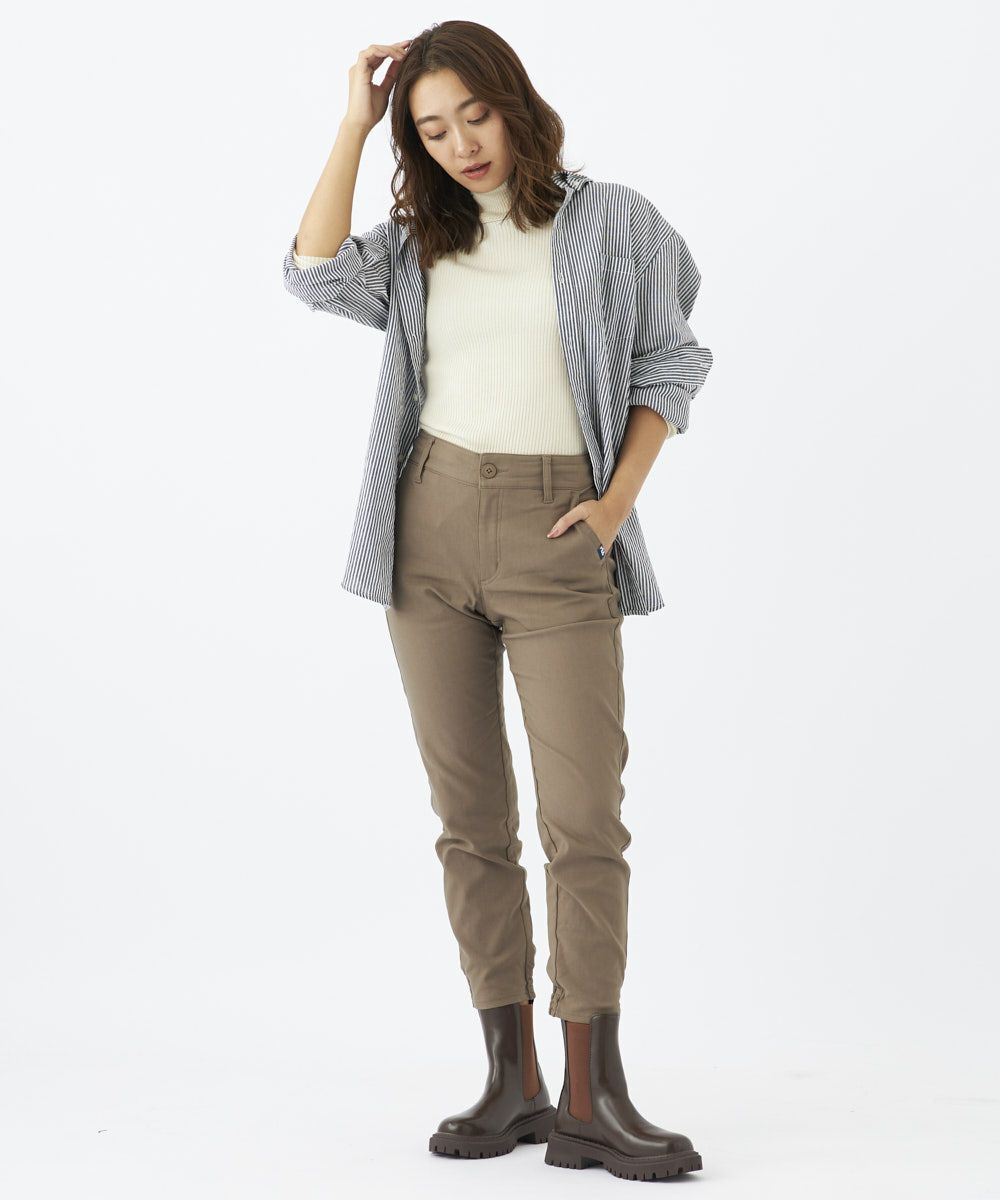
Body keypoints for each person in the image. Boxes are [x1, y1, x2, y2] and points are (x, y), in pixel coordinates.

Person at [283, 20, 713, 1182]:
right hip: (423, 532)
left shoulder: (613, 222)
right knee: (470, 823)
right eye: (432, 130)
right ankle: (510, 1078)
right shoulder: (422, 238)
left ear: (514, 102)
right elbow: (311, 272)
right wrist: (354, 123)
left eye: (474, 114)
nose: (461, 143)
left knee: (584, 823)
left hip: (557, 529)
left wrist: (614, 504)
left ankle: (591, 1095)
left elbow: (671, 358)